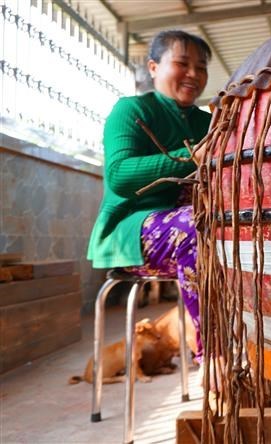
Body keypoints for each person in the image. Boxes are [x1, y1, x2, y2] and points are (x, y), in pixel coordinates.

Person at [87, 30, 211, 367]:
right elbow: (120, 175)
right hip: (131, 232)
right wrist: (189, 157)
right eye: (182, 64)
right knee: (197, 228)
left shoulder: (210, 122)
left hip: (198, 228)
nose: (193, 75)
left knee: (245, 234)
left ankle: (262, 350)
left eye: (201, 68)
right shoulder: (131, 110)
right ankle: (214, 358)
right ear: (154, 67)